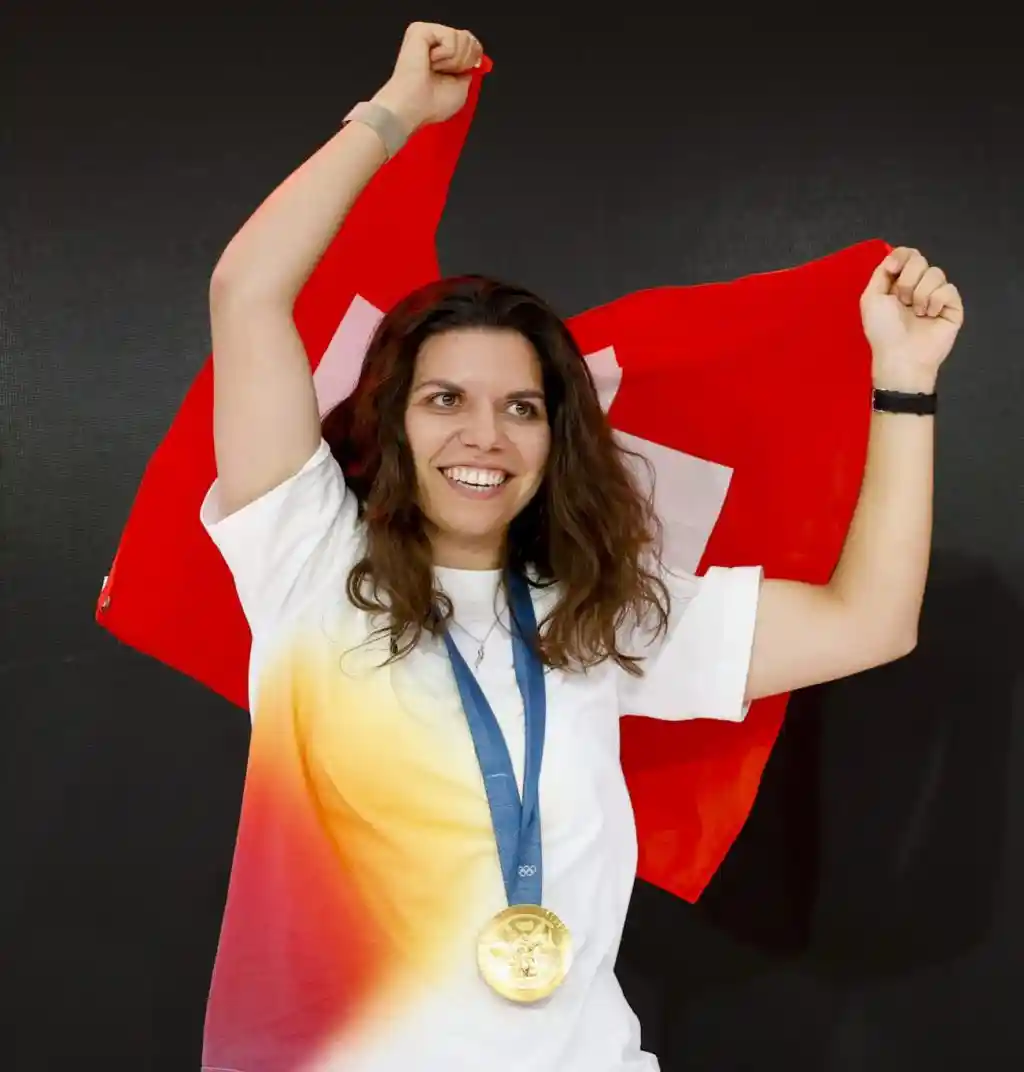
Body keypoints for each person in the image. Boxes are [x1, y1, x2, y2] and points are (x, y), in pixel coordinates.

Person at [200, 20, 964, 1072]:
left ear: (556, 437)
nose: (484, 435)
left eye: (521, 407)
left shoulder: (599, 611)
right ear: (391, 419)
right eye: (444, 399)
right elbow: (246, 293)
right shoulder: (308, 559)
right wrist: (395, 114)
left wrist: (903, 383)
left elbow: (868, 622)